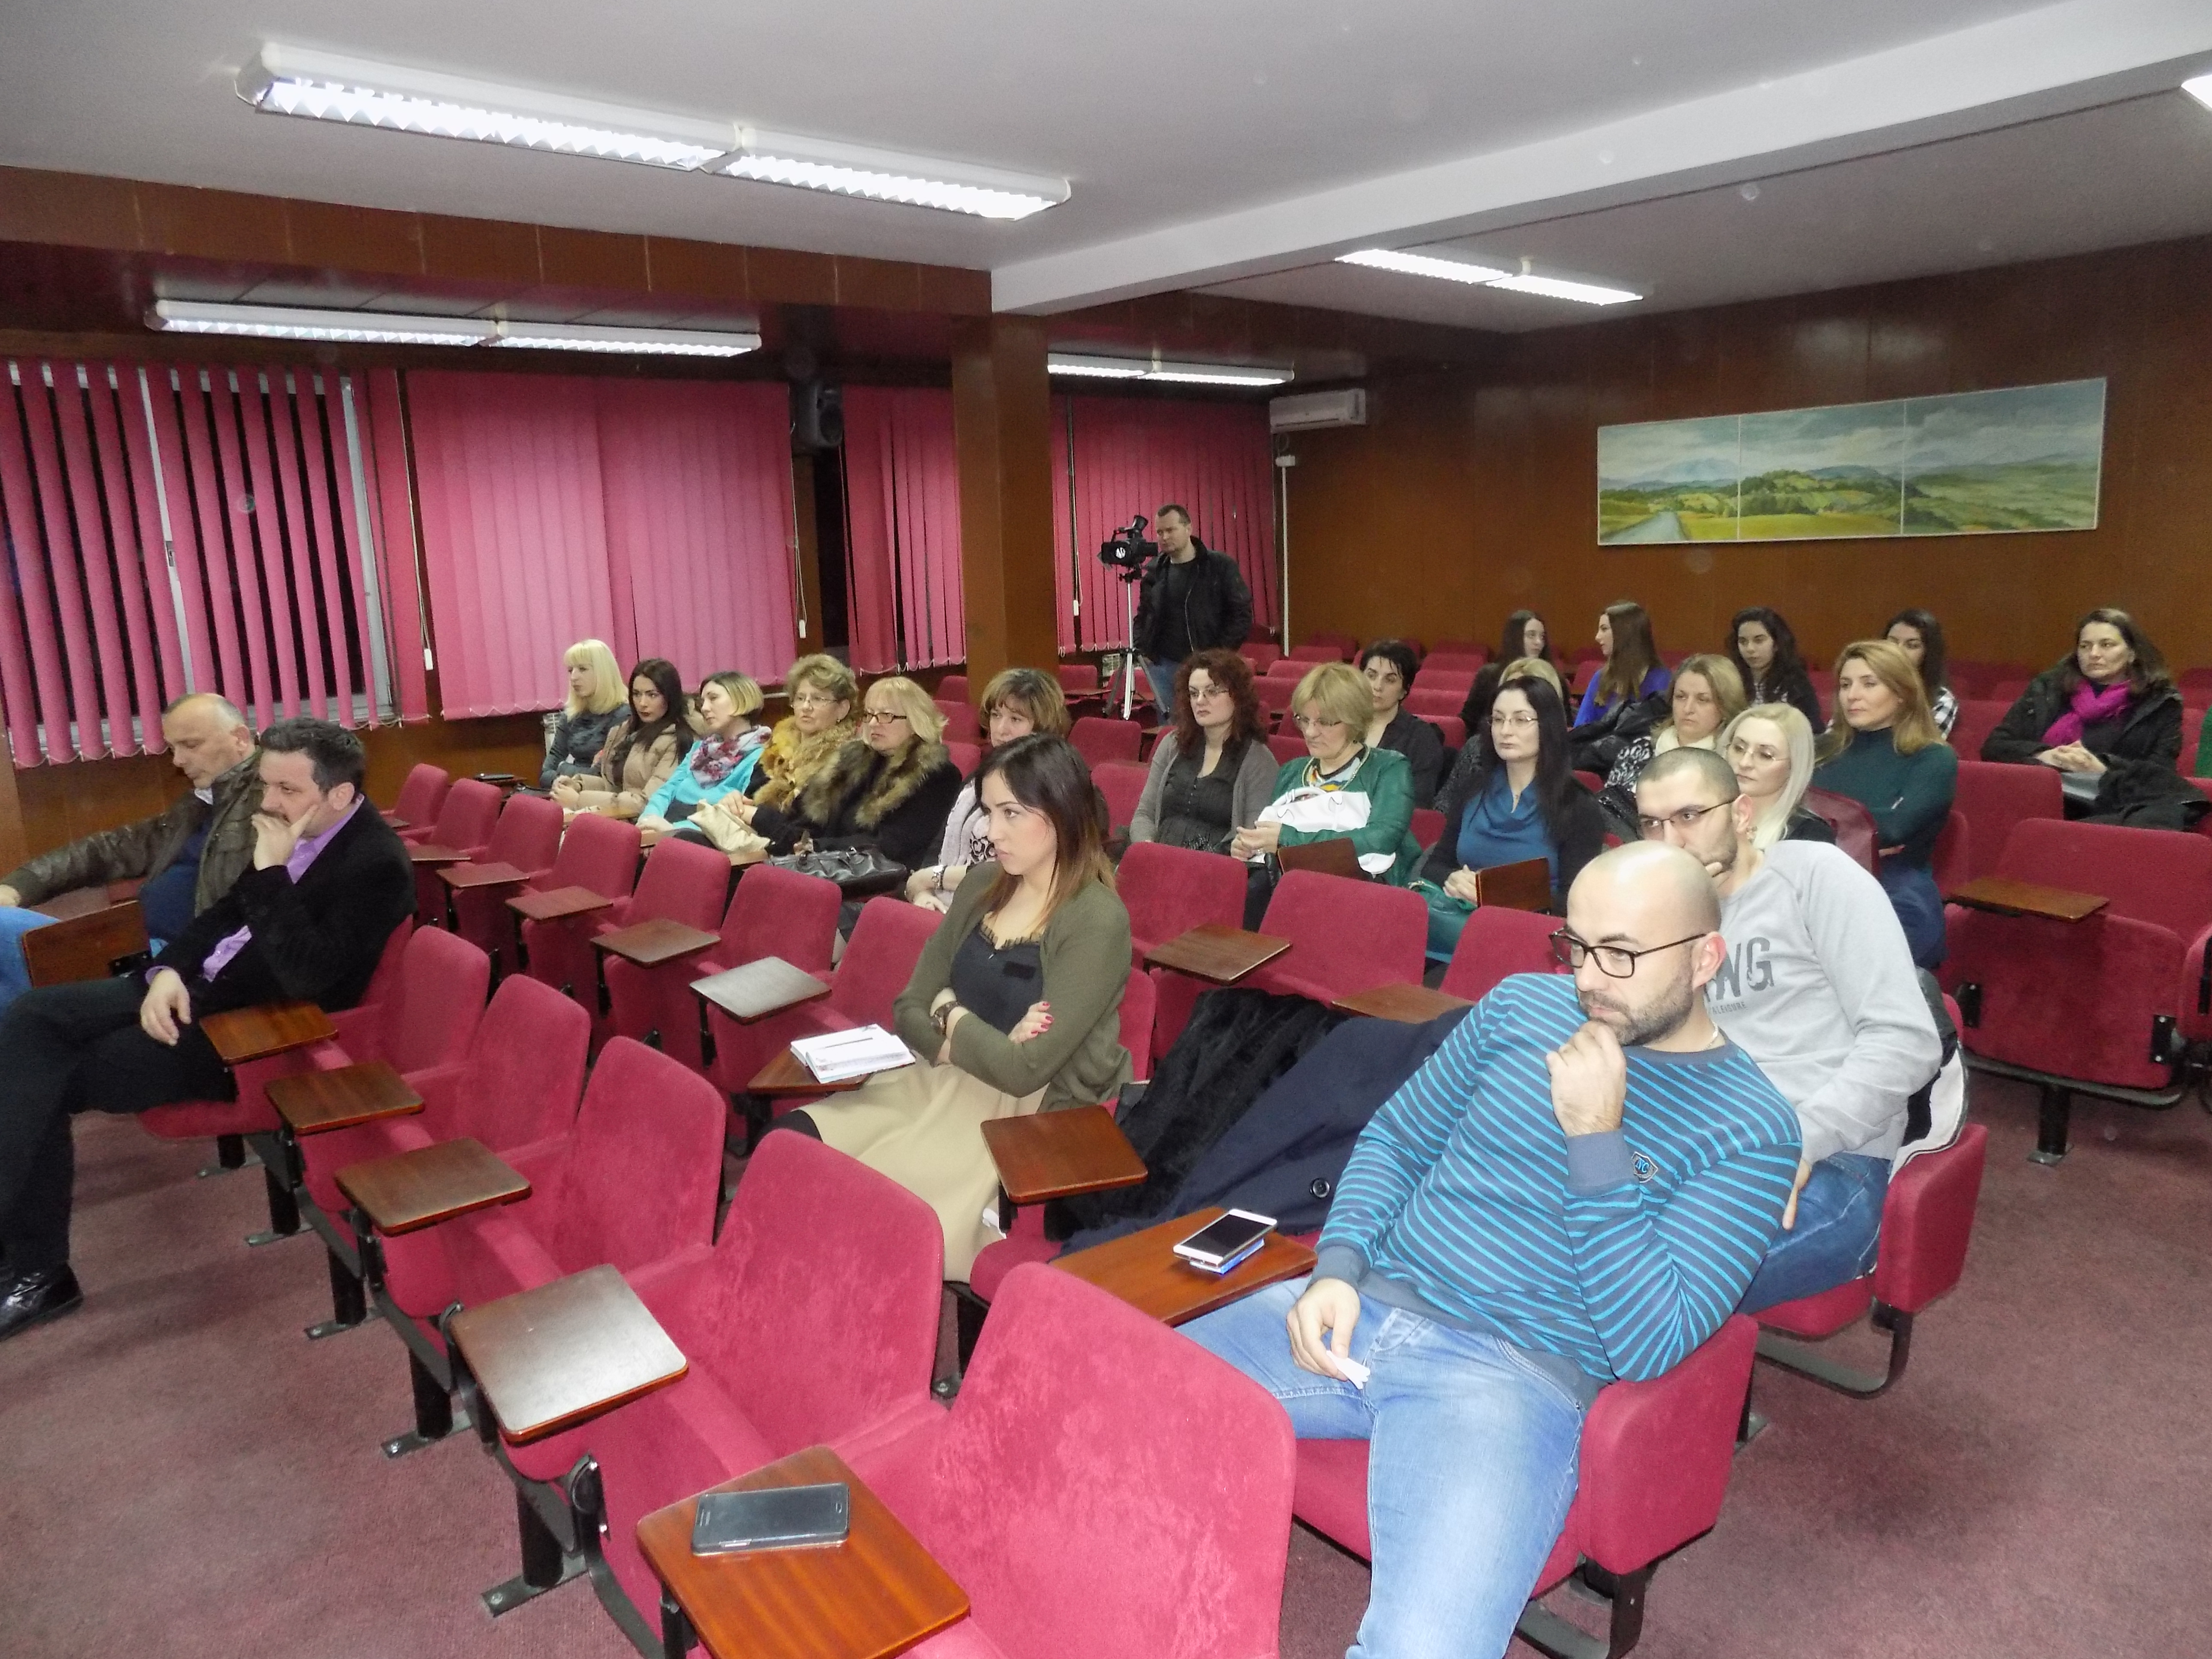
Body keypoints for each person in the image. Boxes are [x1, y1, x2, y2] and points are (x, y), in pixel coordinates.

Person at [1181, 842, 1800, 1659]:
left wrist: (1597, 1139)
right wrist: (1336, 1268)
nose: (1588, 980)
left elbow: (1649, 1343)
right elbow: (1396, 1139)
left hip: (1509, 1381)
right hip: (1362, 1305)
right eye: (1576, 945)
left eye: (1620, 954)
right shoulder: (1520, 1005)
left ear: (1704, 958)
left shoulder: (1752, 1127)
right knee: (1093, 1399)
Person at [0, 719, 414, 1341]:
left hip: (244, 1033)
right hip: (193, 990)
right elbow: (221, 915)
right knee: (31, 1019)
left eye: (287, 790)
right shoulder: (291, 828)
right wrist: (167, 969)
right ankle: (34, 1266)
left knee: (44, 1075)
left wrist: (271, 874)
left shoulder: (376, 866)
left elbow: (309, 977)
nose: (269, 801)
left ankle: (38, 1274)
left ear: (339, 795)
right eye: (266, 785)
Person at [777, 735, 1132, 1279]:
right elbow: (909, 1006)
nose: (992, 832)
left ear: (1062, 811)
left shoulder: (1096, 919)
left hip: (1022, 1115)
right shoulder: (985, 883)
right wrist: (957, 1036)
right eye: (989, 812)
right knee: (790, 1144)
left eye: (1012, 814)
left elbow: (1024, 1072)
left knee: (872, 1213)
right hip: (935, 1075)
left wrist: (951, 1013)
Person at [1634, 746, 1943, 1310]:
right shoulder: (1664, 915)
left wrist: (1797, 1143)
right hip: (1700, 1149)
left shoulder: (1814, 877)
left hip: (1828, 1158)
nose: (1669, 841)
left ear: (1741, 814)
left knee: (1639, 1296)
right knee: (1539, 1239)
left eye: (1689, 816)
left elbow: (1906, 1041)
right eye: (1651, 824)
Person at [0, 694, 260, 1008]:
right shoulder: (200, 804)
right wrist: (19, 885)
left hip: (172, 960)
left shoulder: (266, 801)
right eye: (173, 748)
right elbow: (110, 850)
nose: (178, 761)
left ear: (240, 738)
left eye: (191, 745)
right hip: (132, 941)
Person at [1415, 676, 1606, 960]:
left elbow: (1575, 902)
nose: (1505, 731)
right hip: (1456, 932)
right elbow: (1435, 865)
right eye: (1498, 719)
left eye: (1520, 720)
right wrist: (1454, 879)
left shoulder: (1578, 806)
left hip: (1531, 942)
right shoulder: (1473, 789)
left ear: (1547, 727)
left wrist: (1493, 894)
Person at [1234, 662, 1420, 926]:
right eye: (1304, 719)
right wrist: (1248, 845)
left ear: (1354, 719)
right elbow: (1269, 833)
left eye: (1324, 722)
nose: (1310, 732)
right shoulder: (1292, 771)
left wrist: (1288, 840)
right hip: (1292, 889)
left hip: (1365, 896)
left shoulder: (1388, 768)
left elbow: (1382, 839)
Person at [1812, 641, 1957, 970]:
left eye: (1869, 684)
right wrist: (1859, 832)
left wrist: (1814, 819)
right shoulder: (1821, 750)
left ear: (1902, 693)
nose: (1852, 696)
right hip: (1813, 879)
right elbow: (1782, 814)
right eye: (1845, 685)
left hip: (1892, 888)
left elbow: (1894, 828)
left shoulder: (1932, 757)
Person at [730, 675, 961, 871]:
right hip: (822, 866)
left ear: (916, 721)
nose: (874, 723)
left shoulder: (936, 775)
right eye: (869, 715)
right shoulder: (853, 758)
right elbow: (803, 816)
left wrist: (816, 847)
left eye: (886, 716)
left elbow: (892, 845)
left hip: (875, 878)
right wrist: (789, 835)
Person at [1980, 608, 2182, 807]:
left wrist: (2102, 769)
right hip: (2035, 791)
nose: (2094, 654)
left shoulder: (2159, 702)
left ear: (2132, 653)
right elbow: (1995, 746)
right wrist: (2045, 755)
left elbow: (2161, 776)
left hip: (2109, 803)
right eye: (2085, 646)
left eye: (2107, 645)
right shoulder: (2049, 688)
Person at [910, 668, 1071, 913]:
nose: (1001, 729)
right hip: (941, 901)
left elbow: (1011, 874)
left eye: (1015, 720)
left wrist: (932, 878)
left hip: (1001, 910)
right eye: (996, 716)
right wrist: (922, 893)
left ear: (1043, 728)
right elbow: (937, 847)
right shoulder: (981, 777)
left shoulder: (1056, 788)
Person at [1127, 648, 1277, 854]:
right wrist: (1147, 849)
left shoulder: (1259, 761)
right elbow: (1144, 815)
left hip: (1215, 865)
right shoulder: (1172, 745)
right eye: (1194, 693)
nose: (1200, 701)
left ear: (1238, 696)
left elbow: (1252, 838)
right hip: (1158, 856)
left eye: (1212, 692)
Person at [1131, 504, 1254, 714]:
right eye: (1160, 532)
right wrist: (1143, 648)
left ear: (1188, 529)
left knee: (1207, 721)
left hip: (1209, 665)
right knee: (1170, 726)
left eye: (1171, 530)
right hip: (1164, 666)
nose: (1164, 537)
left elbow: (1241, 614)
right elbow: (1144, 614)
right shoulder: (1154, 571)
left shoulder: (1219, 566)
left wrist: (1219, 654)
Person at [551, 657, 693, 820]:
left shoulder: (678, 739)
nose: (642, 703)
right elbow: (612, 786)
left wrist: (579, 800)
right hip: (617, 819)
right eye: (636, 694)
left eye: (652, 695)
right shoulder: (623, 730)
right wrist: (578, 785)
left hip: (647, 824)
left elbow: (646, 803)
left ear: (670, 697)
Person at [1601, 653, 1747, 800]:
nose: (1688, 708)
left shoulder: (1734, 764)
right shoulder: (1639, 750)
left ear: (1726, 707)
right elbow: (1606, 807)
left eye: (1703, 700)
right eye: (1681, 697)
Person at [640, 673, 771, 831]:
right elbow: (667, 790)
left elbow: (738, 821)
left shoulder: (761, 757)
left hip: (701, 837)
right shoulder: (700, 749)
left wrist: (673, 829)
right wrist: (648, 820)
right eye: (703, 702)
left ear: (742, 700)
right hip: (665, 826)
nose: (704, 708)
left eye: (713, 698)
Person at [747, 653, 861, 811]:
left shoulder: (847, 758)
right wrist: (737, 802)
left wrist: (756, 817)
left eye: (818, 699)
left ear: (843, 709)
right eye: (800, 698)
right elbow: (750, 795)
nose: (806, 707)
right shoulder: (778, 745)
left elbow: (813, 820)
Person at [1721, 705, 1836, 848]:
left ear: (1794, 766)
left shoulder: (1810, 836)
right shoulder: (1703, 815)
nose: (1745, 763)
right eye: (1739, 748)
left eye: (1766, 755)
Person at [1360, 639, 1445, 806]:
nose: (1378, 686)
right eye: (1371, 676)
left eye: (1390, 680)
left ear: (1404, 690)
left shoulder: (1421, 739)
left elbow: (1417, 803)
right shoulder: (1342, 725)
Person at [540, 639, 628, 790]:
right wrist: (570, 775)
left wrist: (563, 767)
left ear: (603, 673)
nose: (574, 677)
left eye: (582, 669)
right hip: (569, 793)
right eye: (570, 670)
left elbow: (603, 776)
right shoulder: (571, 714)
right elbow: (545, 775)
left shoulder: (623, 714)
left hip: (603, 796)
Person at [1457, 611, 1559, 735]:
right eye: (1531, 635)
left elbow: (1562, 723)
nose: (1539, 642)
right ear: (1515, 638)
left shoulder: (1554, 677)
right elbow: (1470, 721)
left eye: (1542, 637)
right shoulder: (1489, 675)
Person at [1572, 600, 1668, 728]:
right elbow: (1581, 728)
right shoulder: (1600, 678)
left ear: (1625, 633)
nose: (1597, 637)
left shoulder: (1661, 680)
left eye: (1604, 629)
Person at [1727, 607, 1823, 728]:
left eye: (1759, 641)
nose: (1750, 649)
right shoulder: (1731, 678)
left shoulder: (1796, 682)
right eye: (1743, 642)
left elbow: (1813, 728)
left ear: (1777, 643)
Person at [1884, 609, 1957, 737]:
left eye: (1912, 646)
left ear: (1928, 654)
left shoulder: (1941, 700)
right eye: (1892, 642)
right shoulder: (1861, 686)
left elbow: (1926, 745)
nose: (1898, 651)